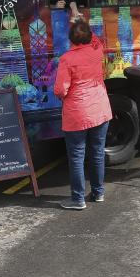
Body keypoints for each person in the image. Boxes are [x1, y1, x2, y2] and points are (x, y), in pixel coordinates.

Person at [54, 20, 112, 210]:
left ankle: (78, 199)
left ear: (71, 39)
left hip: (78, 113)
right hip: (101, 109)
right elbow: (94, 38)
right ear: (88, 37)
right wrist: (79, 19)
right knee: (97, 152)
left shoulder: (67, 59)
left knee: (77, 156)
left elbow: (61, 89)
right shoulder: (96, 50)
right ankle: (98, 192)